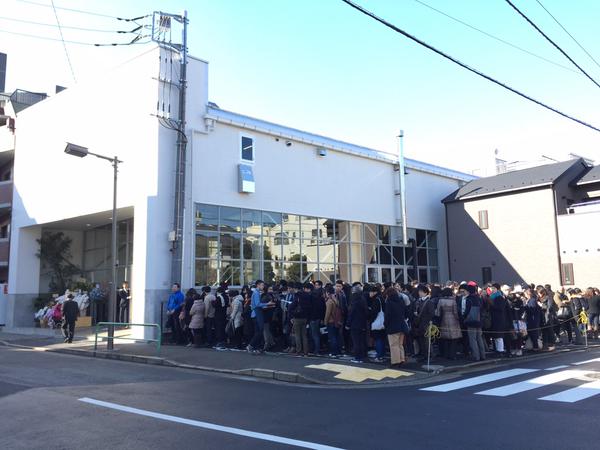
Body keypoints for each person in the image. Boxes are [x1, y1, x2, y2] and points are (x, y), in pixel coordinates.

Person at [384, 287, 409, 367]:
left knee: (393, 345)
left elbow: (387, 316)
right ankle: (402, 359)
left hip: (392, 326)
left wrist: (385, 324)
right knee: (400, 344)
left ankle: (395, 361)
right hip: (402, 325)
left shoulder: (389, 303)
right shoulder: (401, 301)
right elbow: (405, 312)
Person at [247, 280, 274, 353]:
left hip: (255, 314)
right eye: (262, 285)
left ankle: (256, 348)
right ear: (258, 285)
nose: (263, 286)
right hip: (256, 314)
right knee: (259, 331)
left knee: (258, 331)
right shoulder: (256, 293)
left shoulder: (256, 292)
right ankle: (251, 345)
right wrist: (267, 304)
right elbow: (257, 304)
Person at [463, 284, 486, 361]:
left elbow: (467, 311)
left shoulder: (468, 299)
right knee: (479, 338)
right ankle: (483, 355)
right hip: (479, 320)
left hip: (471, 321)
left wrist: (464, 317)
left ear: (468, 291)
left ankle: (476, 356)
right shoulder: (479, 298)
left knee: (473, 339)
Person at [437, 287, 461, 360]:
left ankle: (446, 354)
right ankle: (452, 355)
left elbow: (438, 313)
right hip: (453, 320)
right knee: (453, 339)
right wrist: (458, 319)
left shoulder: (440, 301)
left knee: (445, 339)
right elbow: (455, 312)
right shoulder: (453, 301)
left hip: (443, 320)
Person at [414, 284, 435, 362]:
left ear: (426, 293)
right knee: (422, 341)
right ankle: (425, 355)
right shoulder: (419, 301)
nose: (419, 293)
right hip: (420, 323)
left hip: (426, 323)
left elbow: (432, 313)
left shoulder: (429, 302)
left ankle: (430, 356)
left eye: (421, 292)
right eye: (419, 292)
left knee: (427, 341)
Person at [347, 282, 368, 363]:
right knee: (361, 341)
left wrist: (348, 324)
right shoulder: (363, 299)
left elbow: (351, 313)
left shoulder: (354, 301)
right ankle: (362, 356)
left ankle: (357, 357)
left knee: (356, 342)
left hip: (355, 324)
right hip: (362, 323)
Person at [290, 282, 312, 356]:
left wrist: (292, 314)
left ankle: (299, 350)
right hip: (305, 318)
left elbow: (292, 306)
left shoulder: (297, 296)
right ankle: (306, 351)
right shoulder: (308, 295)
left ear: (296, 289)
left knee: (297, 335)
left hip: (297, 317)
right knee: (304, 335)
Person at [367, 285, 386, 362]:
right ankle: (382, 355)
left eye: (371, 292)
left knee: (378, 339)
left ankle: (379, 356)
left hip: (377, 323)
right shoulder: (381, 298)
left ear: (375, 292)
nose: (369, 294)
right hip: (383, 322)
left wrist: (372, 319)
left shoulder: (376, 300)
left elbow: (374, 313)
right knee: (382, 339)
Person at [323, 286, 341, 356]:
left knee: (332, 337)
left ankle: (334, 352)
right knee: (337, 336)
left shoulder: (329, 301)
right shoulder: (336, 300)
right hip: (337, 321)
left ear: (328, 293)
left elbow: (328, 313)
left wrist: (325, 322)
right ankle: (338, 351)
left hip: (331, 321)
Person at [309, 281, 325, 355]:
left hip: (313, 318)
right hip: (319, 317)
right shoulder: (322, 298)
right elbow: (323, 308)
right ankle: (319, 349)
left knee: (314, 334)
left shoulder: (312, 297)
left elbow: (310, 308)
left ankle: (316, 350)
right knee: (318, 334)